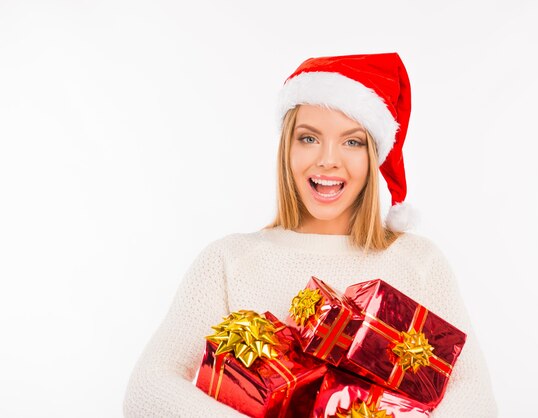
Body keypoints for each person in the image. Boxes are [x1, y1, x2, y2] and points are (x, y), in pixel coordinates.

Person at [123, 52, 498, 417]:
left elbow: (475, 397)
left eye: (352, 141)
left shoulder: (417, 262)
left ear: (374, 156)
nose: (327, 159)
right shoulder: (230, 261)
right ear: (286, 148)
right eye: (308, 138)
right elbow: (148, 391)